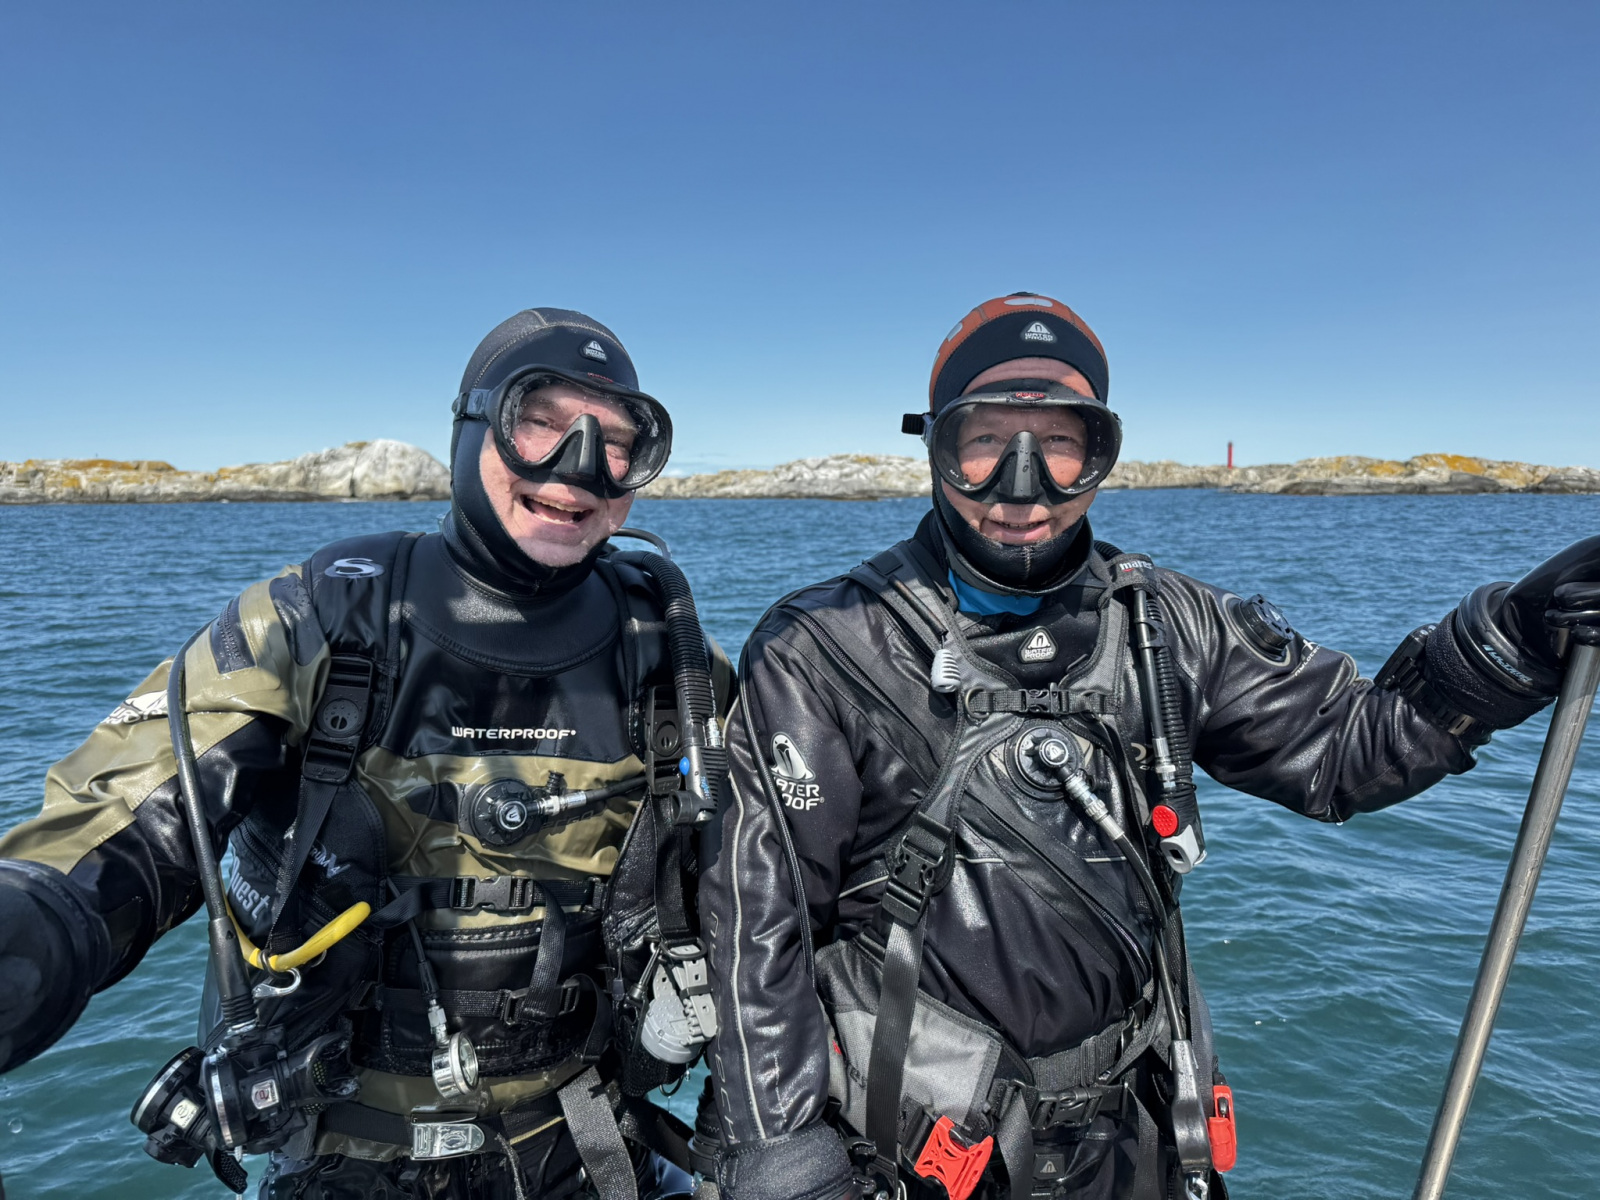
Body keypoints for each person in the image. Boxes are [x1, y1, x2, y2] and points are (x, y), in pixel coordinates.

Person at [697, 292, 1600, 1200]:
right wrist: (784, 1159)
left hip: (1135, 1133)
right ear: (935, 447)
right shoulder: (824, 647)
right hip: (924, 1151)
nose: (1021, 485)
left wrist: (1510, 643)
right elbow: (759, 921)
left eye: (1060, 443)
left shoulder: (1168, 625)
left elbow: (1345, 753)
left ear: (1102, 454)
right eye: (984, 441)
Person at [0, 308, 733, 1199]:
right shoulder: (319, 620)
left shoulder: (669, 655)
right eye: (540, 422)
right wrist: (35, 928)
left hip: (587, 1143)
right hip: (349, 1162)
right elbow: (124, 821)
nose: (579, 466)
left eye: (617, 442)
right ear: (471, 429)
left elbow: (785, 865)